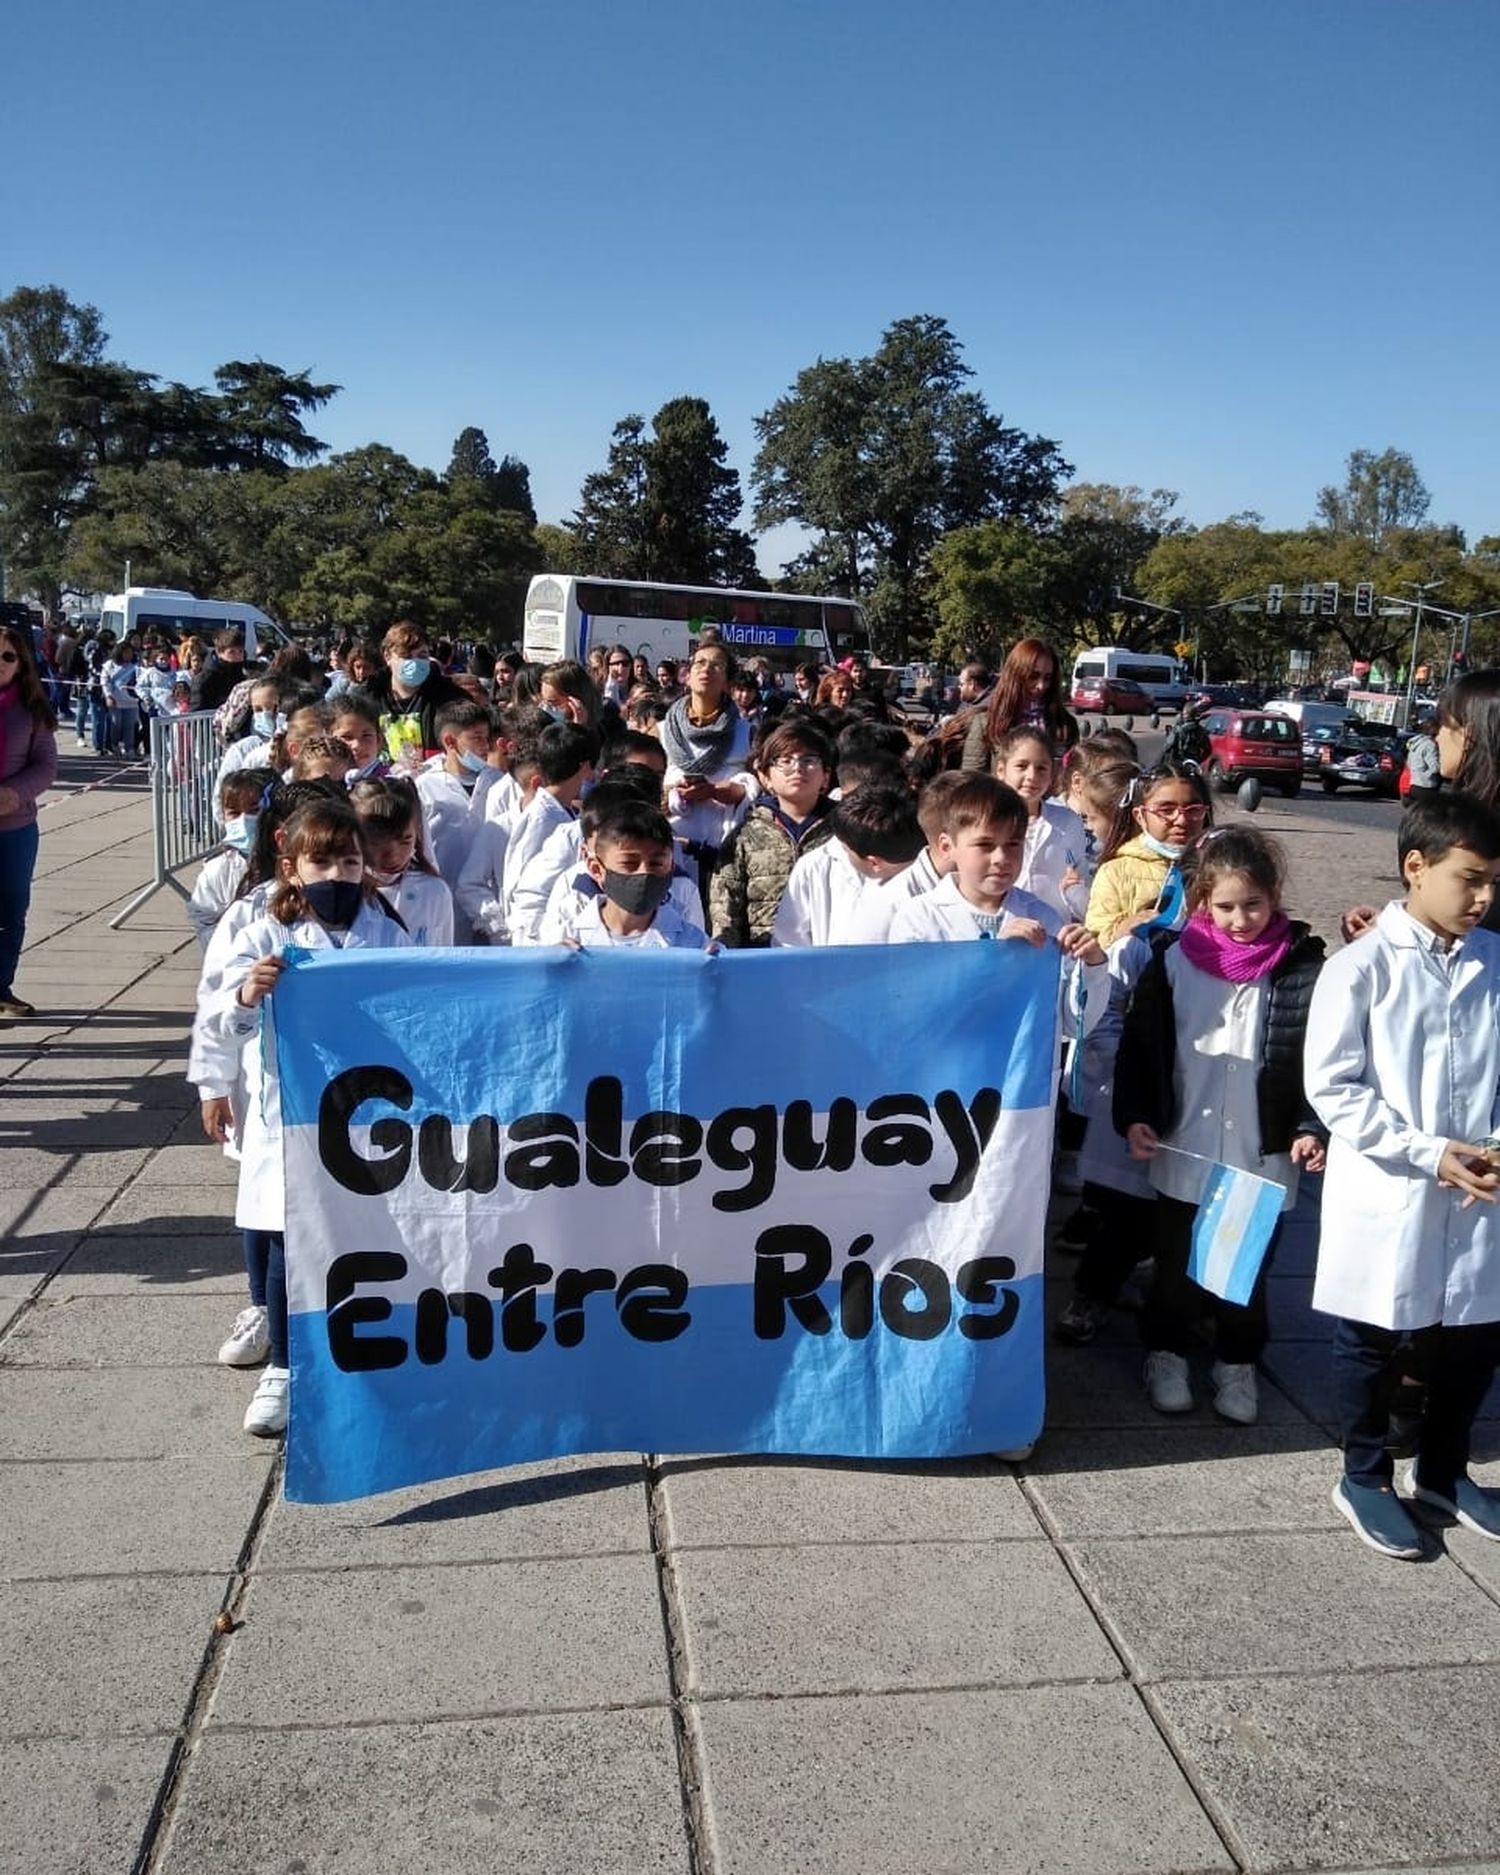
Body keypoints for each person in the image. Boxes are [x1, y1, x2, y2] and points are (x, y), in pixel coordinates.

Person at [1305, 791, 1500, 1559]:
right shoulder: (1361, 968)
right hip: (1390, 1188)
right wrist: (1426, 1150)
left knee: (1477, 1335)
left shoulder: (1495, 964)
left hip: (1481, 1189)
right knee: (1374, 1334)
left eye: (1494, 881)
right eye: (1470, 878)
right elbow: (1334, 1086)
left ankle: (1445, 1471)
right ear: (1415, 868)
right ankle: (1364, 1474)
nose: (1484, 897)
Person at [194, 797, 416, 1434]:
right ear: (290, 866)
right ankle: (285, 1369)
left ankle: (351, 1343)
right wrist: (243, 1004)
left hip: (364, 1111)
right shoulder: (260, 924)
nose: (339, 876)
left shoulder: (385, 923)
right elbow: (217, 1010)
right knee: (287, 1233)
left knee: (346, 1235)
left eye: (350, 862)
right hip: (284, 1108)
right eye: (323, 863)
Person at [1115, 828, 1327, 1423]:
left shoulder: (1300, 968)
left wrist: (1311, 1125)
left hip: (1262, 1155)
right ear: (1203, 900)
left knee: (1248, 1268)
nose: (1241, 920)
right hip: (1185, 1143)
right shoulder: (1175, 960)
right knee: (1177, 1262)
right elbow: (1144, 1046)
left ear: (1275, 896)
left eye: (1253, 905)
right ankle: (1167, 1351)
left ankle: (1237, 1362)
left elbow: (1318, 1058)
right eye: (1226, 906)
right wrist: (1135, 1115)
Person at [709, 720, 835, 947]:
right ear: (765, 777)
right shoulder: (745, 836)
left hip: (829, 956)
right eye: (785, 761)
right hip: (763, 959)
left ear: (826, 776)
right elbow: (725, 906)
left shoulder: (845, 834)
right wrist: (728, 952)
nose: (797, 768)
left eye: (809, 761)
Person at [771, 782, 924, 946]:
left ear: (875, 863)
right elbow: (789, 940)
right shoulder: (816, 865)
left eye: (845, 848)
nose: (838, 847)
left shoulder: (931, 883)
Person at [660, 644, 756, 901]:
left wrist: (729, 792)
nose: (707, 669)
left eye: (716, 665)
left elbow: (761, 785)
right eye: (700, 663)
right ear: (687, 675)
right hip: (669, 852)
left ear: (727, 681)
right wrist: (670, 795)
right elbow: (641, 788)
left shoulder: (746, 732)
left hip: (722, 855)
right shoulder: (661, 731)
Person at [1084, 760, 1212, 949]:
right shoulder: (1116, 872)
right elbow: (1095, 939)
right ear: (1140, 816)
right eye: (1166, 810)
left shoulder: (1221, 866)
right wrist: (1124, 928)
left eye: (1193, 810)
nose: (1181, 819)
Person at [0, 626, 59, 1017]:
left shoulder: (33, 710)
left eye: (8, 657)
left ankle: (1, 986)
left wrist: (15, 792)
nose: (0, 665)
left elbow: (47, 765)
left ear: (21, 664)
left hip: (15, 828)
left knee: (11, 908)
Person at [565, 796, 710, 951]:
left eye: (656, 864)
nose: (645, 872)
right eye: (629, 864)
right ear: (596, 869)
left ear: (671, 867)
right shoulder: (567, 938)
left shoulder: (693, 944)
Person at [501, 722, 599, 927]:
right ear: (584, 767)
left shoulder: (567, 810)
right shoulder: (541, 819)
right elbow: (523, 887)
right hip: (539, 932)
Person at [992, 726, 1089, 923]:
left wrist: (1075, 886)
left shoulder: (1068, 822)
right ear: (1001, 770)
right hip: (1004, 929)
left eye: (1041, 768)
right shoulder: (986, 823)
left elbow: (1076, 866)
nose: (1032, 776)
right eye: (1021, 766)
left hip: (1054, 931)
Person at [350, 776, 454, 946]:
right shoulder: (345, 893)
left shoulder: (433, 891)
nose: (393, 855)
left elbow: (444, 956)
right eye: (375, 842)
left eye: (405, 841)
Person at [415, 698, 499, 895]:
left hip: (490, 894)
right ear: (450, 741)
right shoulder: (425, 787)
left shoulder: (499, 782)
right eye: (477, 738)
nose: (485, 746)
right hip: (445, 892)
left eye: (487, 738)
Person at [188, 768, 276, 951]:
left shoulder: (291, 863)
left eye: (254, 810)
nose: (244, 821)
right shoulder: (218, 869)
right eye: (234, 813)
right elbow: (204, 918)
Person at [962, 637, 1077, 773]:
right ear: (1016, 675)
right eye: (1033, 676)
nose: (1041, 685)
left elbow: (1072, 779)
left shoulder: (1065, 724)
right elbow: (971, 782)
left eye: (1047, 678)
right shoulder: (986, 723)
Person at [368, 621, 465, 765]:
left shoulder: (450, 696)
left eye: (422, 655)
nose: (415, 662)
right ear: (388, 656)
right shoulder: (370, 697)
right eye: (406, 656)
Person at [190, 629, 248, 715]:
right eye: (232, 652)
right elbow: (196, 715)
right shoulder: (204, 680)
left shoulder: (243, 675)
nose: (237, 656)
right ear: (219, 652)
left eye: (240, 651)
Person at [1162, 696, 1212, 767]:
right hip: (1193, 764)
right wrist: (1199, 760)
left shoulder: (1177, 730)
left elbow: (1167, 747)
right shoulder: (1201, 731)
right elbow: (1208, 750)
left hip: (1178, 763)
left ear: (1185, 715)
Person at [1404, 715, 1441, 801]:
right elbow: (1435, 768)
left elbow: (1409, 763)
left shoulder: (1415, 743)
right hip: (1426, 785)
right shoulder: (1430, 745)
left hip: (1414, 783)